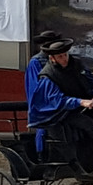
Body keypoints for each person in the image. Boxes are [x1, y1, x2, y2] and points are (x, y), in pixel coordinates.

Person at [28, 37, 93, 174]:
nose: (64, 59)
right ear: (53, 59)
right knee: (87, 123)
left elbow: (92, 81)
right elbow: (57, 100)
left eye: (65, 55)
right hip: (59, 114)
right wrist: (81, 102)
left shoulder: (77, 65)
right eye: (60, 56)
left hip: (82, 108)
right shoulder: (48, 76)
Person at [25, 30, 62, 159]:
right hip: (44, 100)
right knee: (44, 124)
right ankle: (41, 153)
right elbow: (36, 86)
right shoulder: (36, 62)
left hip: (60, 98)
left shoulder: (60, 60)